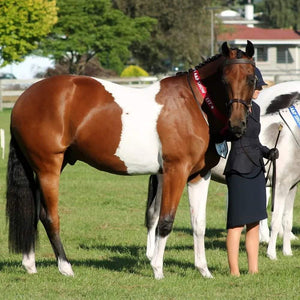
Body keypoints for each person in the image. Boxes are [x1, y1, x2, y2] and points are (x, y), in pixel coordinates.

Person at [224, 68, 279, 276]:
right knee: (236, 223)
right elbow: (229, 135)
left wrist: (268, 152)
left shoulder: (255, 109)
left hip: (256, 168)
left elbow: (254, 140)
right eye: (257, 86)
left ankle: (253, 270)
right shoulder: (233, 108)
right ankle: (234, 271)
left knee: (255, 222)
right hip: (238, 168)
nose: (259, 90)